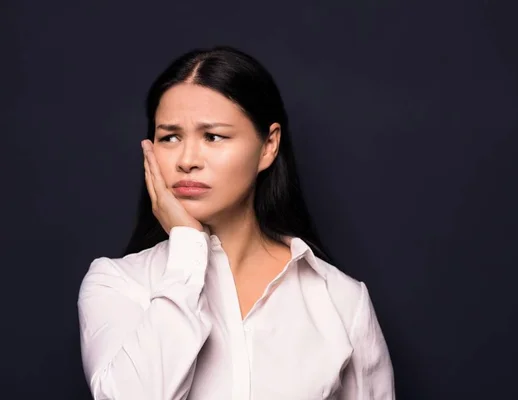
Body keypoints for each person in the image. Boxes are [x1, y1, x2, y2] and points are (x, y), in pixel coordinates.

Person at [77, 45, 395, 400]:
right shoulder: (119, 284)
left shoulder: (341, 301)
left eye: (213, 136)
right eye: (170, 137)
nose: (187, 160)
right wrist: (187, 245)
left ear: (268, 146)